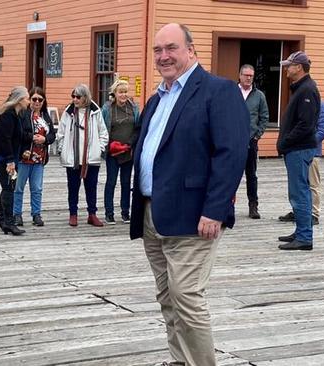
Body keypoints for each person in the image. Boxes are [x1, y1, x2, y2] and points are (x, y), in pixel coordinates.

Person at [129, 23, 249, 366]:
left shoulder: (218, 91)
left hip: (195, 216)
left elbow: (231, 153)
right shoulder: (157, 98)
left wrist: (216, 209)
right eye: (157, 50)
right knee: (167, 296)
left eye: (171, 48)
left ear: (191, 51)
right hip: (153, 212)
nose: (163, 56)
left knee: (187, 296)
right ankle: (180, 360)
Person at [276, 51, 320, 251]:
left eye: (289, 65)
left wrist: (285, 142)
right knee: (297, 191)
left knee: (299, 192)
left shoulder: (307, 90)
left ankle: (304, 237)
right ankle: (301, 229)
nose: (286, 68)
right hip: (296, 149)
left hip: (299, 149)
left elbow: (306, 125)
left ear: (299, 68)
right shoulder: (301, 89)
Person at [57, 84, 109, 227]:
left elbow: (103, 133)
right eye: (73, 96)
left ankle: (92, 214)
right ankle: (73, 214)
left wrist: (99, 149)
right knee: (73, 187)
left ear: (85, 97)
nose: (75, 99)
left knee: (91, 187)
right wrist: (62, 150)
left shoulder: (95, 112)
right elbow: (60, 133)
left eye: (78, 97)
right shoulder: (68, 112)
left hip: (91, 158)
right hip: (73, 158)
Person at [279, 100, 324, 226]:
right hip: (296, 152)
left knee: (312, 184)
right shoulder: (301, 106)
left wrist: (307, 143)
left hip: (312, 152)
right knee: (299, 185)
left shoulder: (322, 106)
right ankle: (299, 212)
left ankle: (314, 214)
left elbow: (323, 131)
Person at [13, 87, 56, 227]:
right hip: (25, 156)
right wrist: (32, 137)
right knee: (19, 187)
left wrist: (45, 139)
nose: (37, 102)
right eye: (34, 99)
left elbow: (52, 135)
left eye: (40, 99)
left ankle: (36, 214)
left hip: (39, 158)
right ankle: (16, 214)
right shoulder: (24, 114)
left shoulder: (45, 116)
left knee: (37, 188)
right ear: (29, 99)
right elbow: (19, 133)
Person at [0, 86, 29, 235]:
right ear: (19, 100)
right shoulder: (7, 117)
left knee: (7, 187)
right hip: (1, 157)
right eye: (27, 98)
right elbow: (5, 140)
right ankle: (9, 222)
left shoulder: (18, 115)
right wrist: (10, 161)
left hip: (9, 156)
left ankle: (1, 219)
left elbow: (18, 137)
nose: (29, 101)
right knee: (9, 188)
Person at [101, 79, 140, 225]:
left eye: (125, 92)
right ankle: (109, 213)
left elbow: (138, 127)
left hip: (128, 151)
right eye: (120, 92)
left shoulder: (134, 108)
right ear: (115, 93)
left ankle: (125, 212)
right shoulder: (107, 108)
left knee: (126, 182)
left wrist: (131, 143)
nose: (123, 95)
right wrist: (109, 144)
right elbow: (103, 128)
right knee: (111, 182)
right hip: (112, 151)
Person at [238, 64, 269, 219]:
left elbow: (264, 118)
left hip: (251, 141)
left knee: (251, 175)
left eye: (251, 75)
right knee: (229, 175)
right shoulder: (231, 93)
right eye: (246, 75)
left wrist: (257, 135)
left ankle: (253, 205)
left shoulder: (259, 96)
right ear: (240, 75)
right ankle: (227, 206)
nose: (249, 78)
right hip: (233, 142)